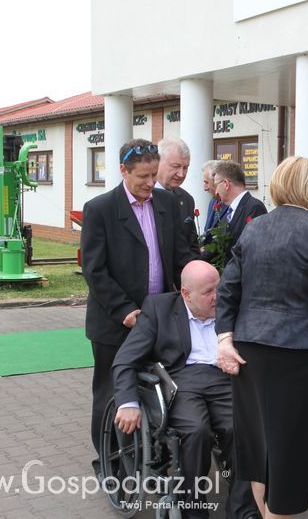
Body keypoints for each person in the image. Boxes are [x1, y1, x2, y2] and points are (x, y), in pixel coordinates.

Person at [215, 156, 308, 518]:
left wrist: (225, 338)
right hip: (295, 356)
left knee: (259, 448)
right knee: (289, 451)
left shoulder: (255, 226)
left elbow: (228, 289)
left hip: (250, 352)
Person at [112, 260, 258, 518]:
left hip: (224, 377)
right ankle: (193, 507)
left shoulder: (229, 305)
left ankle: (242, 509)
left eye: (219, 288)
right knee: (195, 431)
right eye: (208, 292)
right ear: (186, 294)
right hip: (180, 381)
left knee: (243, 426)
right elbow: (126, 358)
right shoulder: (159, 309)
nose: (217, 297)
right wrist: (128, 402)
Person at [81, 138, 192, 472]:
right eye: (143, 176)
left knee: (160, 389)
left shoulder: (166, 203)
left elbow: (178, 254)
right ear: (123, 171)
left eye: (154, 174)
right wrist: (124, 310)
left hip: (158, 318)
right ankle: (111, 462)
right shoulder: (100, 209)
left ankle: (153, 454)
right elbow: (94, 270)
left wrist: (197, 279)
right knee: (111, 391)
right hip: (115, 322)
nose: (150, 183)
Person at [202, 161, 267, 268]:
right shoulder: (230, 210)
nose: (216, 192)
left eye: (216, 185)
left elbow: (251, 250)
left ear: (226, 184)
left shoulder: (254, 208)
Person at [156, 138, 199, 253]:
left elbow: (192, 244)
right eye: (175, 166)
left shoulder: (187, 199)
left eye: (185, 167)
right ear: (157, 162)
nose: (181, 174)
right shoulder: (142, 196)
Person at [202, 160, 223, 235]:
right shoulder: (213, 202)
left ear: (216, 181)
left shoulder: (231, 204)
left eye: (206, 182)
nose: (205, 188)